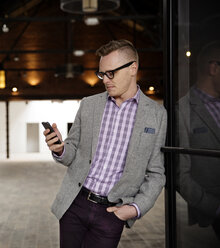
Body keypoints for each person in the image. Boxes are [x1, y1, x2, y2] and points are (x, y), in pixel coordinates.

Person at [43, 39, 167, 248]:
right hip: (75, 203)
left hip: (112, 213)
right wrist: (61, 149)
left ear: (132, 68)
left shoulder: (156, 115)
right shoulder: (89, 105)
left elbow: (156, 173)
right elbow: (72, 151)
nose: (105, 80)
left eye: (111, 73)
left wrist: (135, 208)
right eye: (102, 74)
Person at [176, 41, 220, 246]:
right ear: (213, 68)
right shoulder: (183, 110)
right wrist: (216, 208)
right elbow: (181, 175)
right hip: (213, 218)